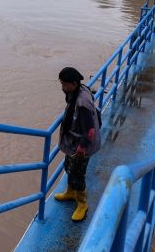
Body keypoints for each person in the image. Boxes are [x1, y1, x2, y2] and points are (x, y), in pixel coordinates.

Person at [54, 67, 101, 222]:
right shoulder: (76, 91)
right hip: (73, 142)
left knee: (77, 174)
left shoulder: (82, 103)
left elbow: (90, 131)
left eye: (64, 84)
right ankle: (70, 192)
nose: (62, 87)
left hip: (82, 145)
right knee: (69, 167)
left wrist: (81, 150)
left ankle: (82, 204)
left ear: (74, 84)